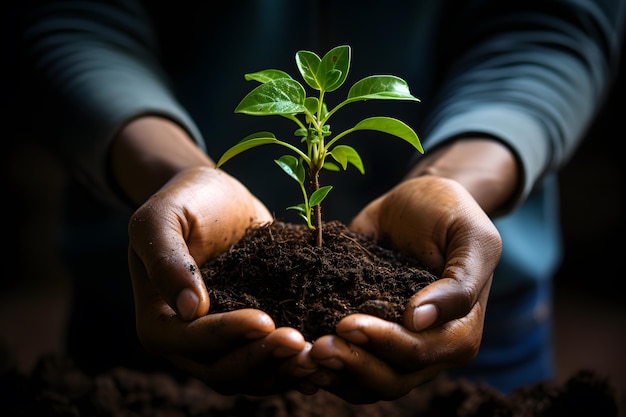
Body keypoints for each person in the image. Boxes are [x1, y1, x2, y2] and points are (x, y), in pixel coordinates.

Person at [14, 0, 625, 404]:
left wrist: (458, 178)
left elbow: (550, 23)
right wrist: (175, 173)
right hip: (156, 305)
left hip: (473, 320)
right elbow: (66, 12)